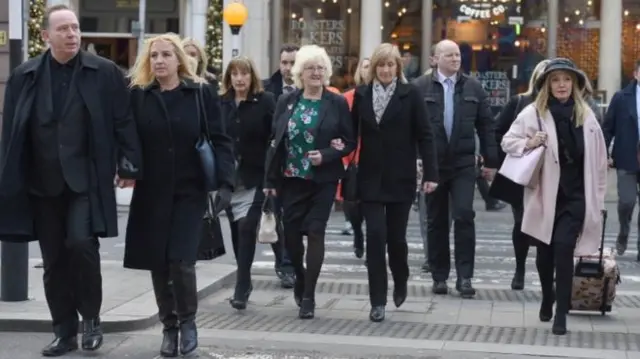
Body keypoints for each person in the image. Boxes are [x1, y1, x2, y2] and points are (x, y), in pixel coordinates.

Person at [0, 4, 142, 356]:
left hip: (86, 180)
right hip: (41, 182)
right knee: (53, 261)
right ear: (46, 36)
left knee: (81, 245)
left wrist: (129, 166)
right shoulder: (25, 75)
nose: (72, 35)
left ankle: (91, 320)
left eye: (75, 28)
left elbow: (123, 120)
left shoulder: (104, 72)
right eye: (63, 29)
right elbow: (13, 130)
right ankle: (64, 332)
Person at [123, 33, 235, 356]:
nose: (159, 60)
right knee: (159, 263)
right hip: (152, 193)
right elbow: (127, 137)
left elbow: (221, 139)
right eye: (154, 55)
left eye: (166, 55)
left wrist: (225, 183)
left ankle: (188, 321)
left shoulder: (200, 93)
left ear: (179, 61)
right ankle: (168, 327)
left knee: (181, 260)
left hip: (190, 191)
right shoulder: (139, 96)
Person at [501, 58, 607, 335]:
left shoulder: (588, 117)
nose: (562, 85)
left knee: (563, 250)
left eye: (567, 79)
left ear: (575, 84)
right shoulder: (533, 113)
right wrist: (529, 142)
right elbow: (507, 141)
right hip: (544, 196)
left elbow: (598, 162)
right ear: (547, 84)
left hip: (575, 198)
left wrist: (597, 198)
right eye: (556, 80)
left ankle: (561, 313)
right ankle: (547, 295)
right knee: (544, 256)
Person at [264, 45, 355, 320]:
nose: (316, 72)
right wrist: (269, 180)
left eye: (320, 68)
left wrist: (326, 154)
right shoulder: (287, 101)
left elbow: (349, 142)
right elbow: (275, 142)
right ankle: (300, 278)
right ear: (299, 73)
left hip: (322, 180)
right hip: (292, 179)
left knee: (316, 232)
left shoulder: (336, 102)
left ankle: (308, 296)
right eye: (310, 68)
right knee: (291, 237)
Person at [350, 43, 438, 322]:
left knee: (395, 239)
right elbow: (352, 134)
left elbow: (425, 135)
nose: (386, 70)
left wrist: (432, 175)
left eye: (391, 65)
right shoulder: (362, 95)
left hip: (400, 178)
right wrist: (337, 148)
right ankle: (378, 301)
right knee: (375, 237)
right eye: (381, 65)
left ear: (398, 68)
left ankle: (400, 276)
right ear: (373, 68)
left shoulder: (410, 94)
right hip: (370, 178)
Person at [413, 39, 498, 298]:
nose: (455, 59)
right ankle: (439, 276)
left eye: (458, 55)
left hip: (463, 163)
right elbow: (410, 126)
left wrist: (491, 160)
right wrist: (415, 159)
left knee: (463, 215)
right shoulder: (419, 88)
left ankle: (465, 277)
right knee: (436, 220)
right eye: (449, 55)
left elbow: (486, 125)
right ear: (434, 59)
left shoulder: (473, 87)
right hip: (433, 164)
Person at [219, 56, 276, 310]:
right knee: (235, 231)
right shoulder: (221, 103)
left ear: (252, 77)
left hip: (255, 177)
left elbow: (273, 139)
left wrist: (271, 176)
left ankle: (241, 285)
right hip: (229, 179)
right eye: (234, 74)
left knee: (246, 229)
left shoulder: (265, 102)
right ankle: (245, 277)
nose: (239, 79)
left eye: (244, 74)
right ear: (228, 78)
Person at [493, 59, 550, 290]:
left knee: (548, 224)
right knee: (522, 223)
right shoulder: (521, 103)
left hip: (551, 175)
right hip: (524, 174)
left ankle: (547, 272)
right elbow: (499, 132)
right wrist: (522, 149)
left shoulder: (565, 105)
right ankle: (519, 269)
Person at [262, 44, 301, 288]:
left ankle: (291, 262)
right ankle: (283, 262)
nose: (287, 68)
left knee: (294, 218)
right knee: (274, 216)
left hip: (298, 164)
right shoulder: (267, 89)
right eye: (284, 62)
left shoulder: (309, 89)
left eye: (292, 63)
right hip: (273, 163)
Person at [603, 59, 640, 261]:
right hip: (627, 157)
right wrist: (603, 153)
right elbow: (608, 127)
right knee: (627, 201)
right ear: (636, 74)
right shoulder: (621, 97)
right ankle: (623, 232)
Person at [339, 57, 370, 259]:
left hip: (376, 160)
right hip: (352, 158)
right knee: (352, 205)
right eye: (364, 66)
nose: (368, 70)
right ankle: (357, 232)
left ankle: (372, 250)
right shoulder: (348, 98)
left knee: (372, 207)